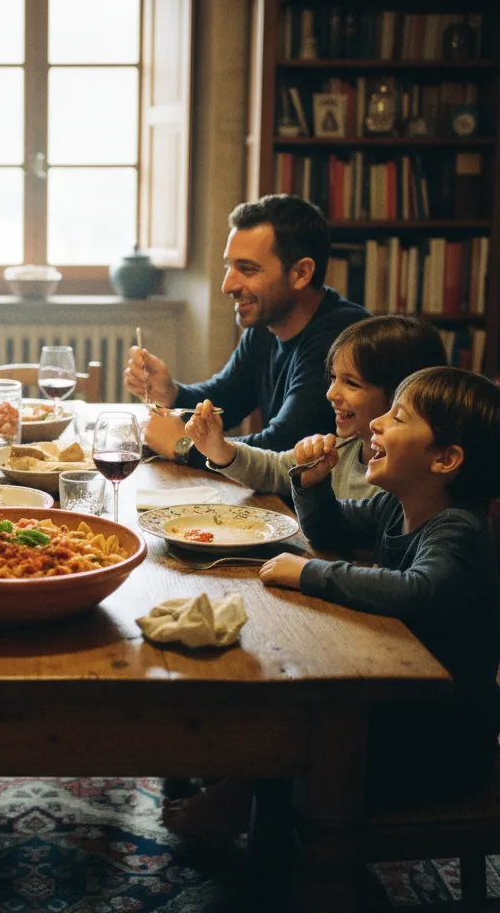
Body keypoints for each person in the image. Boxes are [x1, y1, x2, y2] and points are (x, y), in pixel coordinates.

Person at [167, 367, 500, 840]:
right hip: (396, 713)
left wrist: (310, 572)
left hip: (438, 745)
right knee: (277, 711)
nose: (377, 424)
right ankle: (231, 788)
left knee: (286, 732)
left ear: (445, 458)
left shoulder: (458, 529)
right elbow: (331, 530)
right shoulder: (397, 505)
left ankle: (269, 866)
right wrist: (312, 483)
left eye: (398, 417)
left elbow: (419, 590)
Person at [123, 194, 369, 465]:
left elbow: (283, 448)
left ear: (301, 273)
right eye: (230, 265)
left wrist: (184, 445)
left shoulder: (340, 339)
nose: (228, 285)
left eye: (247, 269)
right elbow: (227, 399)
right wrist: (170, 393)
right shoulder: (268, 323)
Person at [183, 314, 448, 500]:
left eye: (351, 383)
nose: (331, 393)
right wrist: (220, 450)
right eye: (333, 378)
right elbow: (275, 469)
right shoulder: (342, 450)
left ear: (401, 395)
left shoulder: (404, 480)